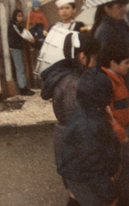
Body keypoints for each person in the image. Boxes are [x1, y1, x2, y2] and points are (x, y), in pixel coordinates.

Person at [41, 32, 100, 206]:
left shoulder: (68, 76)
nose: (96, 63)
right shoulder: (74, 83)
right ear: (83, 56)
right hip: (74, 145)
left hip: (66, 140)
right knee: (82, 191)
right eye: (95, 58)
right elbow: (80, 122)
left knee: (76, 191)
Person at [57, 61, 120, 206]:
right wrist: (110, 194)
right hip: (83, 177)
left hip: (82, 173)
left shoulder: (90, 109)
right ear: (102, 94)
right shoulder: (88, 125)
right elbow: (93, 167)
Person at [99, 41, 129, 206]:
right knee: (122, 170)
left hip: (124, 129)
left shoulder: (118, 78)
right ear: (113, 63)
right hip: (118, 136)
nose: (128, 66)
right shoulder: (107, 83)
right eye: (126, 62)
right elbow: (108, 115)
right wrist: (122, 135)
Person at [91, 0, 129, 88]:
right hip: (116, 80)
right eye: (119, 6)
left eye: (124, 5)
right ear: (107, 9)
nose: (124, 9)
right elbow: (104, 62)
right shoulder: (105, 30)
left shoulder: (121, 24)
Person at [8, 9, 35, 96]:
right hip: (14, 49)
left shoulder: (18, 25)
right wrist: (30, 38)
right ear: (15, 17)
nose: (20, 18)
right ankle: (22, 89)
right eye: (19, 16)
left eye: (21, 16)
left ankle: (23, 86)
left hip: (18, 48)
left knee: (21, 68)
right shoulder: (13, 25)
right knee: (20, 68)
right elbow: (21, 35)